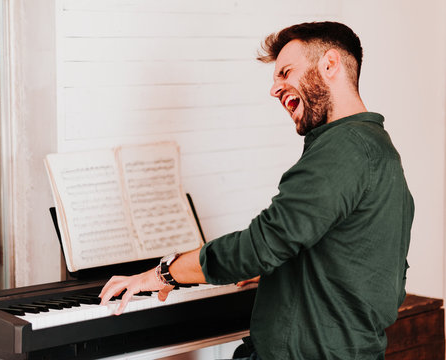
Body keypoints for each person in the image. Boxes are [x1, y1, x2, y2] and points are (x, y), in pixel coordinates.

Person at [99, 21, 414, 360]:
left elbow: (262, 243)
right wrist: (285, 276)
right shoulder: (379, 150)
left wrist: (163, 273)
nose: (275, 89)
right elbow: (375, 271)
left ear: (329, 64)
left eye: (285, 72)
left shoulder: (342, 149)